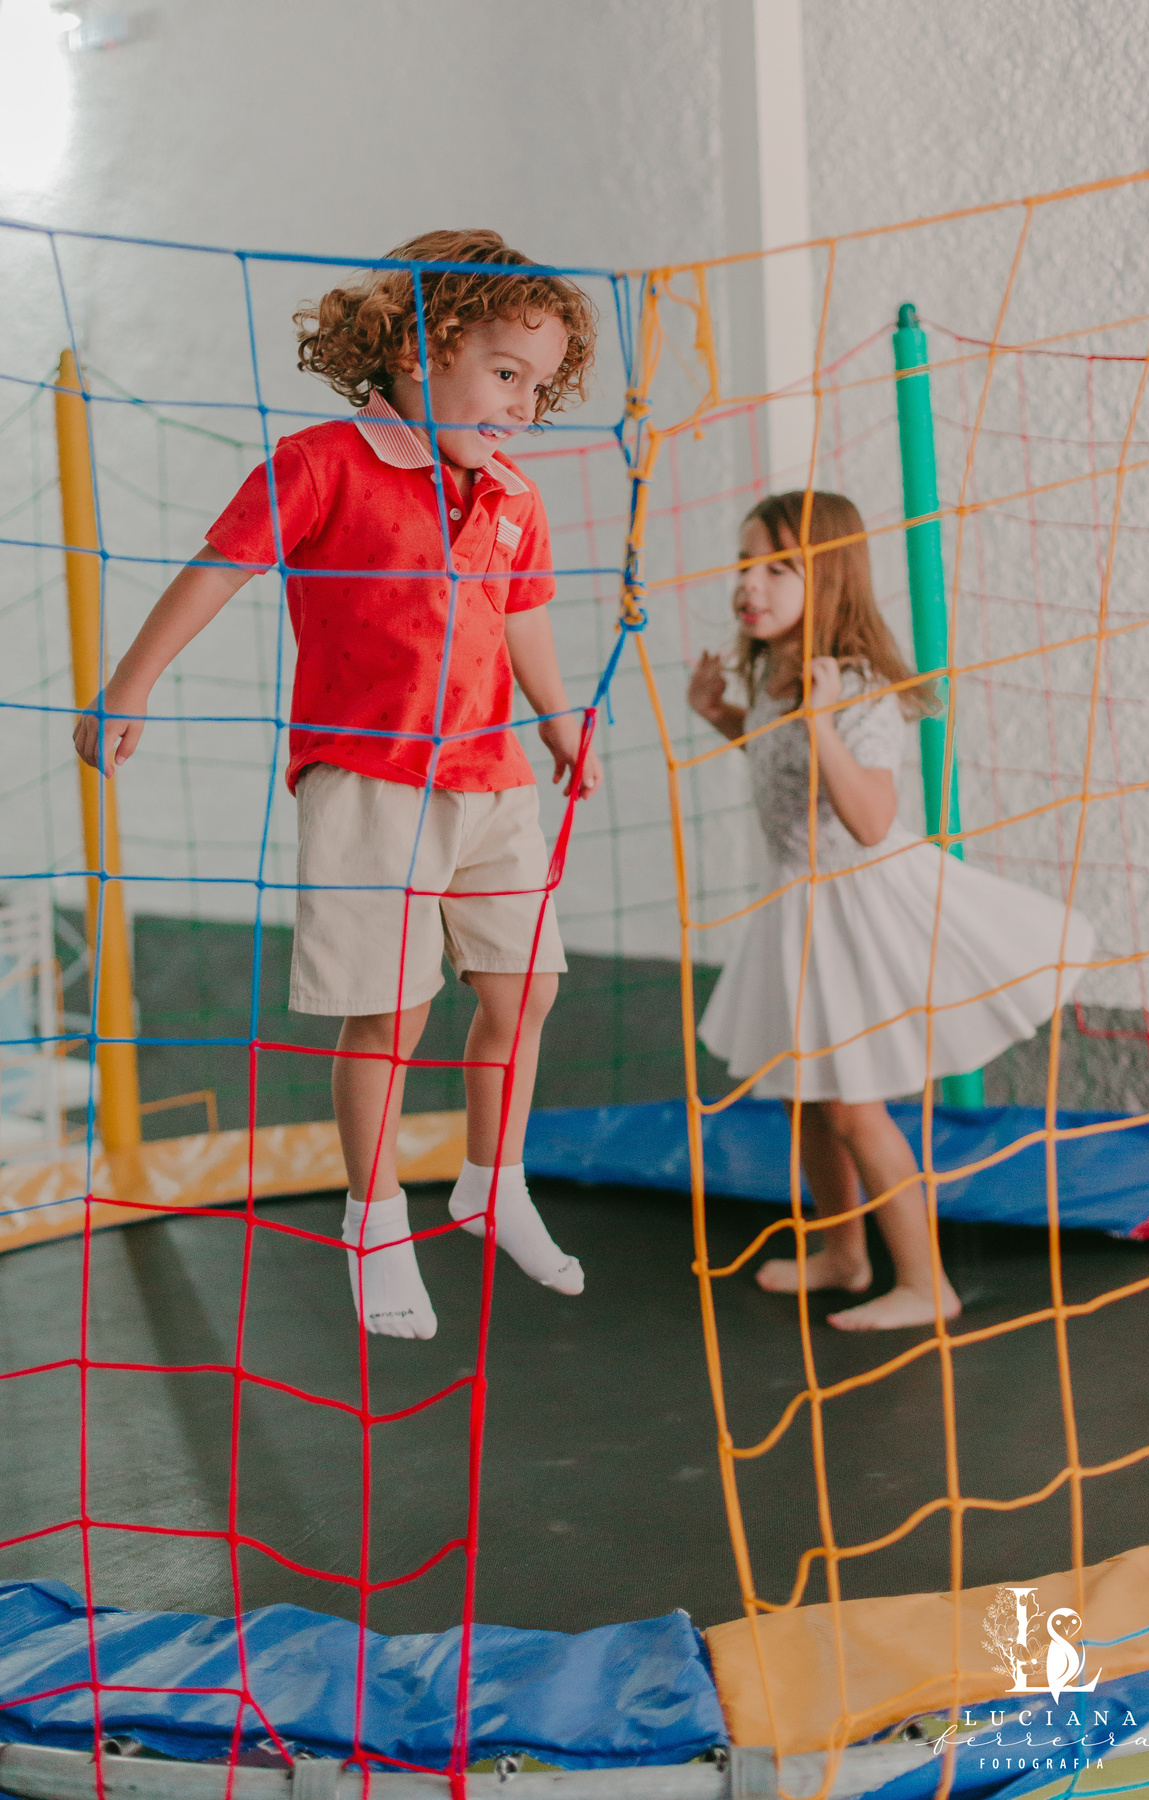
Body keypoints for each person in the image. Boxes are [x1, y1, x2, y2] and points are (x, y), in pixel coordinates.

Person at [74, 229, 602, 1342]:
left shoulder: (510, 491)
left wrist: (558, 721)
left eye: (539, 389)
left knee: (526, 989)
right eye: (505, 373)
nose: (520, 406)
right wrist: (132, 682)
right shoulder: (325, 464)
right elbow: (217, 566)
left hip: (492, 773)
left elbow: (523, 614)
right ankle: (373, 1219)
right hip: (368, 780)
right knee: (391, 1011)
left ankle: (490, 1182)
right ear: (422, 344)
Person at [688, 490, 1094, 1330]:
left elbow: (869, 819)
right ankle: (844, 1253)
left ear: (827, 577)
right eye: (743, 565)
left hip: (857, 906)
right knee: (804, 1096)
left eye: (776, 567)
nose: (749, 585)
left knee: (853, 1106)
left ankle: (924, 1282)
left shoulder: (857, 688)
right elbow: (782, 756)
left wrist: (827, 719)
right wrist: (723, 714)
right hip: (798, 905)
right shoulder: (774, 669)